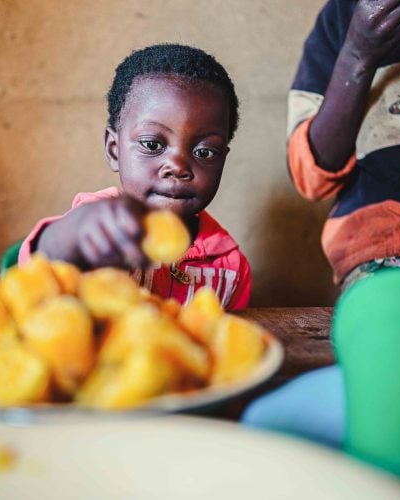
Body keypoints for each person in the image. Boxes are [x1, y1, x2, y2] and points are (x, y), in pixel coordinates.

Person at [243, 0, 400, 461]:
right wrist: (359, 52)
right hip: (396, 251)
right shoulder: (347, 16)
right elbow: (312, 175)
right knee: (399, 316)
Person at [18, 44, 252, 309]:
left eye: (205, 151)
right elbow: (42, 271)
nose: (177, 166)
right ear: (114, 150)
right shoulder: (99, 225)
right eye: (153, 145)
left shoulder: (229, 265)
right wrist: (72, 234)